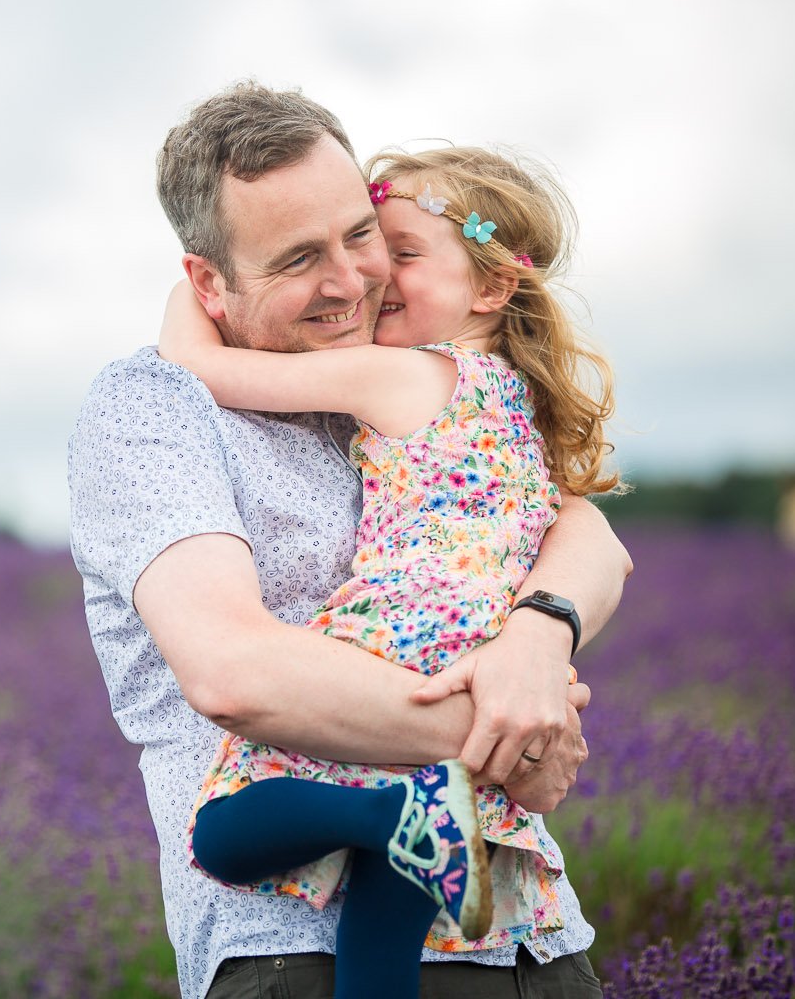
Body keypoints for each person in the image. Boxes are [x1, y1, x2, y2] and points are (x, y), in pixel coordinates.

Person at [68, 82, 631, 999]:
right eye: (299, 257)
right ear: (207, 281)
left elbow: (587, 530)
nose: (352, 280)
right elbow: (233, 672)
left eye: (362, 236)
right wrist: (508, 734)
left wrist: (539, 634)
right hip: (299, 948)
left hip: (529, 939)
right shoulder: (156, 409)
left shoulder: (395, 385)